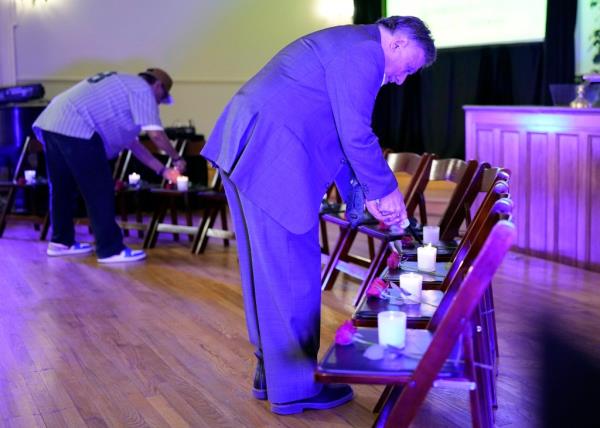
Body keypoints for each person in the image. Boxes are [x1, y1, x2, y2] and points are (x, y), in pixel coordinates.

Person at [201, 16, 436, 414]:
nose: (400, 80)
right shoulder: (364, 52)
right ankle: (295, 387)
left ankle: (272, 371)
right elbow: (355, 132)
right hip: (272, 156)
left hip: (250, 147)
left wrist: (362, 196)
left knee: (267, 271)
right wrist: (386, 190)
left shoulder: (347, 44)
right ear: (397, 44)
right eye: (408, 69)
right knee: (294, 271)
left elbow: (337, 136)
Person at [33, 68, 186, 263]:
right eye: (160, 99)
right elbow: (156, 134)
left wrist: (163, 170)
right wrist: (176, 158)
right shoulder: (142, 90)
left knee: (63, 188)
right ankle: (110, 249)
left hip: (51, 122)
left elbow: (135, 146)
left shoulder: (122, 88)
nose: (157, 104)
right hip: (78, 126)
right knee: (100, 189)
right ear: (158, 86)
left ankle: (61, 242)